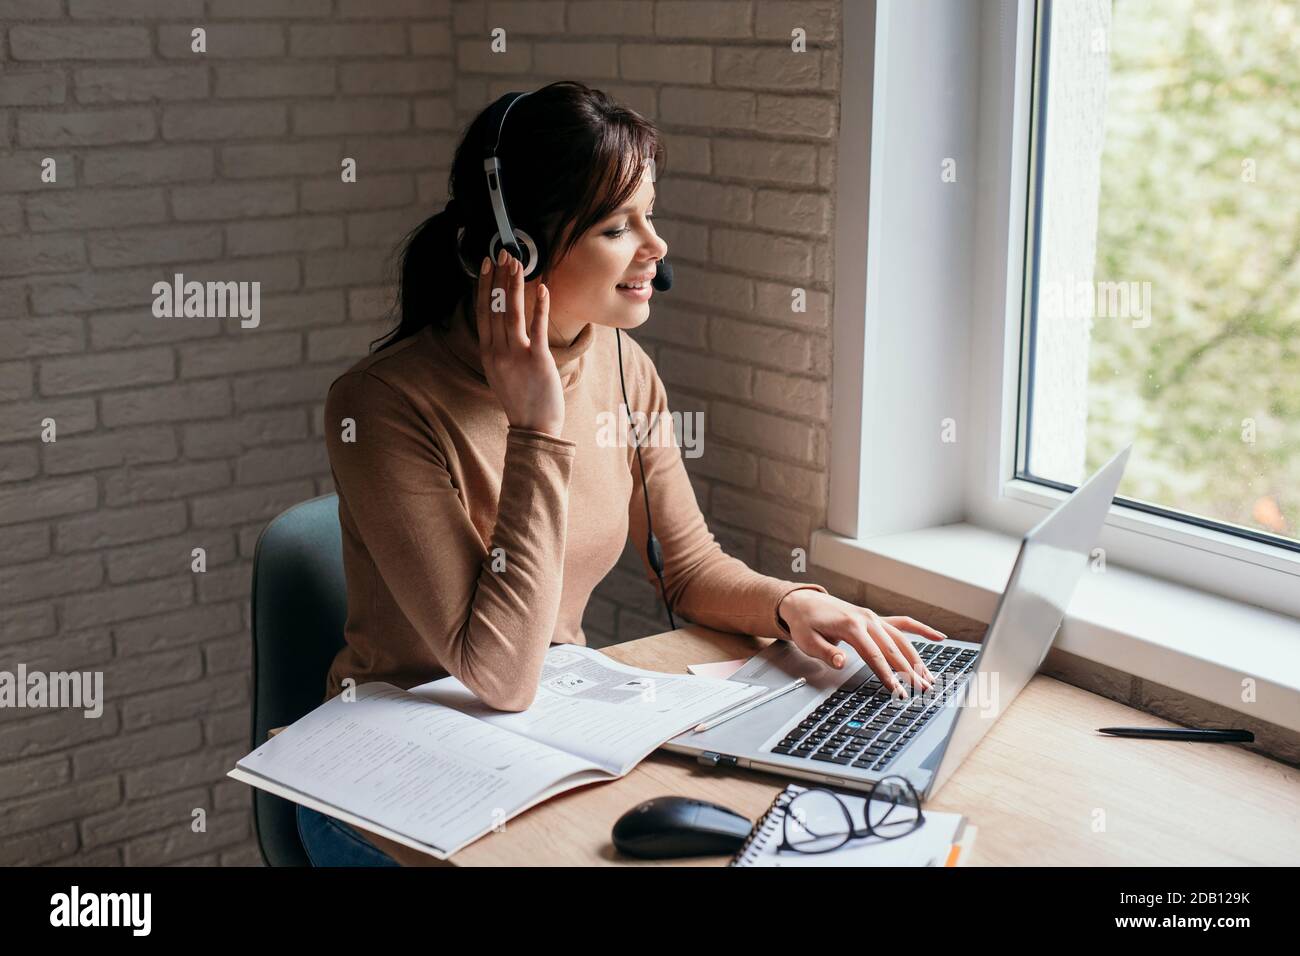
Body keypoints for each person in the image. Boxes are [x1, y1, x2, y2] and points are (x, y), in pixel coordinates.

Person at [302, 81, 948, 867]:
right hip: (385, 779)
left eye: (651, 213)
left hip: (533, 735)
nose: (656, 246)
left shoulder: (622, 364)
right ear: (518, 249)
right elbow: (498, 671)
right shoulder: (382, 404)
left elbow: (690, 569)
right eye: (618, 225)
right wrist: (536, 426)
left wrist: (797, 604)